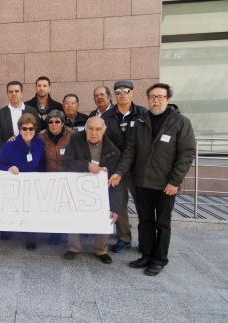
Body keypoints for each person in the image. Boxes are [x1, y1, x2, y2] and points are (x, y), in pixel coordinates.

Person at [109, 83, 195, 276]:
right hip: (142, 182)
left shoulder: (180, 122)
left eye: (160, 97)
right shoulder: (141, 121)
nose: (156, 100)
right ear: (148, 99)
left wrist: (175, 181)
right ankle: (146, 255)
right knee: (145, 221)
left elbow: (186, 154)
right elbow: (130, 151)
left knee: (162, 223)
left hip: (166, 184)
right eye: (153, 97)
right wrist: (119, 172)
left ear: (168, 99)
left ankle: (159, 259)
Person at [62, 117, 120, 264]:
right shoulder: (75, 139)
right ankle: (74, 247)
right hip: (77, 187)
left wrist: (115, 207)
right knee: (72, 214)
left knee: (106, 214)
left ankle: (101, 250)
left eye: (98, 129)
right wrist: (86, 166)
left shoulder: (112, 148)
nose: (94, 133)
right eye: (91, 129)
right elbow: (66, 164)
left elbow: (116, 182)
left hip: (102, 190)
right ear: (86, 129)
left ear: (104, 131)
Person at [102, 80, 147, 254]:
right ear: (114, 95)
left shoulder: (143, 114)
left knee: (143, 206)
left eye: (125, 91)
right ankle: (124, 238)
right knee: (118, 205)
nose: (122, 94)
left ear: (132, 93)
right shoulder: (107, 116)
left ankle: (146, 240)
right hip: (116, 171)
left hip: (138, 169)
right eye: (118, 91)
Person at [0, 113, 45, 250]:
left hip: (31, 184)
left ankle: (30, 236)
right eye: (24, 128)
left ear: (35, 130)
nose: (28, 131)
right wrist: (9, 168)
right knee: (11, 208)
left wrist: (39, 176)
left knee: (30, 210)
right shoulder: (9, 145)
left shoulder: (40, 144)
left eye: (31, 128)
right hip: (13, 184)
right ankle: (7, 229)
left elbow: (42, 164)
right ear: (19, 129)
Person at [38, 110, 73, 245]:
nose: (53, 124)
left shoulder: (72, 135)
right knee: (54, 207)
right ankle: (55, 232)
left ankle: (70, 232)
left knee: (67, 207)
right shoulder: (41, 136)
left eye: (57, 121)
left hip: (68, 177)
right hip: (50, 176)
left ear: (63, 123)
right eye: (50, 122)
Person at [0, 81, 39, 149]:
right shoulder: (0, 113)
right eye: (11, 92)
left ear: (22, 93)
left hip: (29, 149)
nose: (14, 94)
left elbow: (37, 130)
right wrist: (6, 145)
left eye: (17, 91)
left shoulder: (32, 111)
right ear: (7, 94)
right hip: (9, 152)